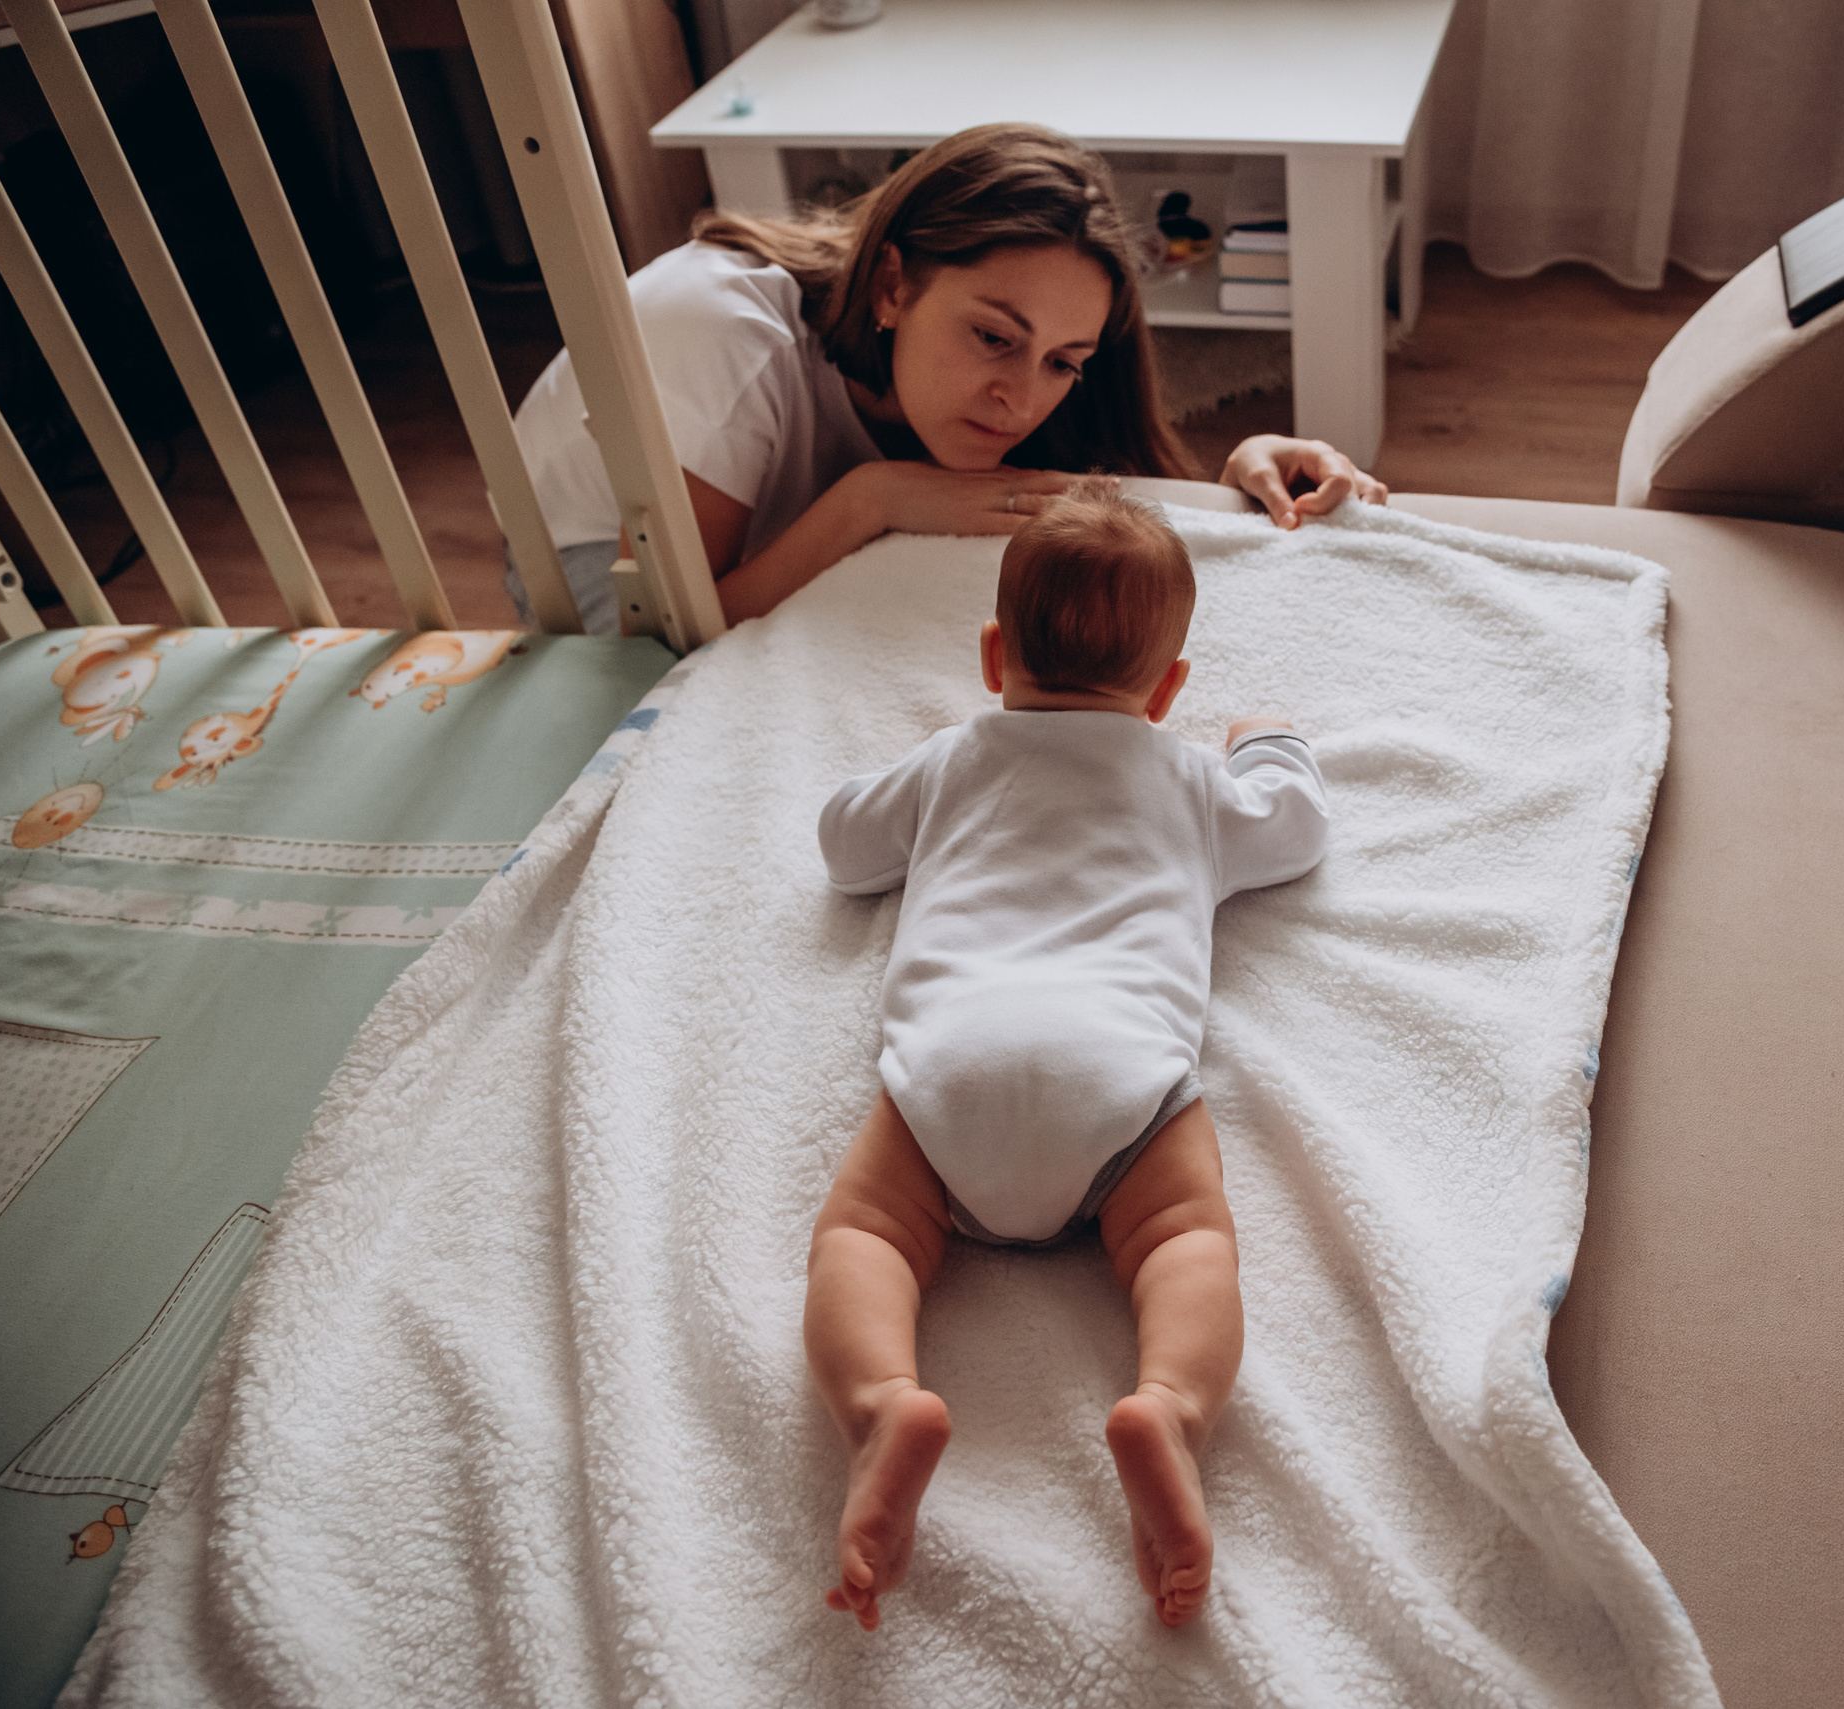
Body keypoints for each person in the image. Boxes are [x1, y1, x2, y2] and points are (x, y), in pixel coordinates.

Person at [808, 479, 1329, 1631]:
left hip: (949, 1071)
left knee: (865, 1233)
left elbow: (844, 849)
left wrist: (901, 777)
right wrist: (1270, 745)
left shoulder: (953, 760)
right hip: (1122, 1081)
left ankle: (883, 1401)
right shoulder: (1189, 778)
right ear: (1169, 691)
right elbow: (1290, 832)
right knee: (1186, 1237)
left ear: (994, 656)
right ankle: (1170, 1410)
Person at [511, 122, 1388, 634]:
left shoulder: (1009, 379)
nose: (1023, 398)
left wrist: (1241, 473)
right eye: (993, 338)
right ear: (893, 284)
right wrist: (869, 501)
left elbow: (1097, 495)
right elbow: (662, 636)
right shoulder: (718, 328)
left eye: (1063, 364)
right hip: (604, 559)